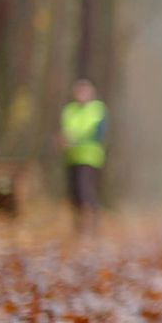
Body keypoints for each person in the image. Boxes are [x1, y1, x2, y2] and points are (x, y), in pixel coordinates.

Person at [60, 79, 107, 233]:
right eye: (79, 92)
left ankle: (94, 223)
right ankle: (78, 226)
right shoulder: (69, 110)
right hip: (72, 157)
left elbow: (98, 134)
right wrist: (63, 140)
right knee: (74, 194)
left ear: (91, 93)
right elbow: (66, 131)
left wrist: (75, 140)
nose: (81, 95)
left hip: (90, 158)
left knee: (84, 191)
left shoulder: (97, 110)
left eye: (84, 92)